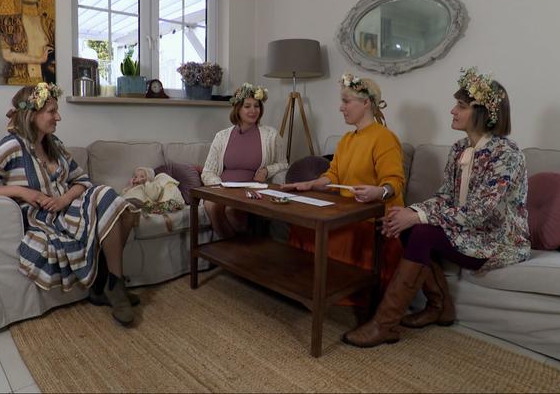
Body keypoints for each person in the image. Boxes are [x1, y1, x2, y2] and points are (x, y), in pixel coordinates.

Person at [343, 67, 531, 347]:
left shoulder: (507, 154)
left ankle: (385, 324)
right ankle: (439, 307)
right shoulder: (458, 149)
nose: (453, 111)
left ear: (483, 113)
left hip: (496, 240)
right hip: (466, 231)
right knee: (407, 226)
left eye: (461, 106)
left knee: (420, 231)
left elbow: (480, 212)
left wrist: (418, 216)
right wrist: (410, 213)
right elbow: (444, 197)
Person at [0, 83, 140, 326]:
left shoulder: (54, 144)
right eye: (52, 111)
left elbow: (82, 181)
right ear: (31, 114)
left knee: (118, 204)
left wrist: (64, 199)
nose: (58, 117)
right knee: (113, 201)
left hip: (67, 207)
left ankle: (111, 284)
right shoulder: (10, 146)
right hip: (42, 218)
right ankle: (108, 287)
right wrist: (21, 191)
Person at [282, 74, 406, 303]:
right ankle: (305, 289)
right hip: (345, 212)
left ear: (366, 102)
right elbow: (333, 175)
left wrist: (378, 192)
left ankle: (330, 293)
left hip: (373, 219)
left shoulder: (384, 138)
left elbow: (394, 182)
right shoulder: (347, 139)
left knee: (330, 234)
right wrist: (310, 184)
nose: (341, 108)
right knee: (301, 228)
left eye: (346, 101)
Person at [201, 83, 288, 239]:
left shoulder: (271, 135)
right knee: (210, 205)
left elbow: (284, 164)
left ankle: (238, 249)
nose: (253, 110)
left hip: (250, 192)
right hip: (223, 189)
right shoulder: (221, 136)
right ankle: (234, 250)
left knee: (231, 210)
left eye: (256, 106)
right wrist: (220, 186)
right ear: (238, 109)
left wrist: (267, 170)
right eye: (247, 106)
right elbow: (208, 172)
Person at [0, 0, 55, 85]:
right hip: (16, 83)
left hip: (43, 85)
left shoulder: (49, 25)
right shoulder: (9, 22)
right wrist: (39, 60)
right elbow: (7, 55)